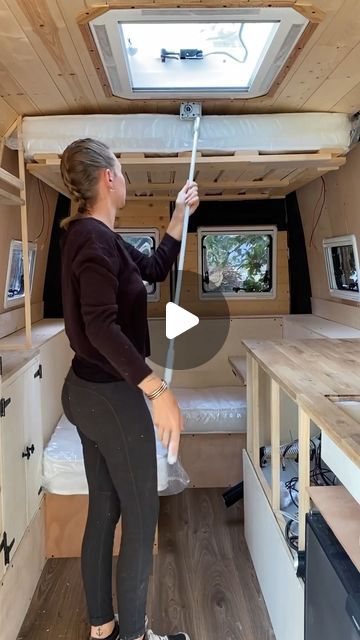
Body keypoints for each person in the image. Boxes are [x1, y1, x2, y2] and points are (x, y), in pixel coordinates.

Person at [59, 138, 199, 640]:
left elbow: (155, 269)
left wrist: (179, 216)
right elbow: (99, 327)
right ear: (108, 179)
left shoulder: (98, 238)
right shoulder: (93, 241)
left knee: (106, 508)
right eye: (121, 167)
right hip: (109, 397)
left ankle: (105, 630)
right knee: (141, 516)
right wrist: (157, 389)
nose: (125, 175)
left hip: (87, 392)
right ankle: (135, 636)